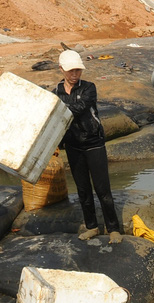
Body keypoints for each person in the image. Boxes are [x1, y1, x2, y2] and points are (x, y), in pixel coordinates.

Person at [55, 50, 122, 244]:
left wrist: (56, 108)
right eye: (71, 70)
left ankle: (113, 229)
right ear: (61, 69)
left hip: (93, 143)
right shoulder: (56, 92)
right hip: (73, 146)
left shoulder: (89, 88)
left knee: (103, 189)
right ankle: (92, 226)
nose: (75, 74)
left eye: (78, 70)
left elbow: (79, 108)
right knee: (83, 190)